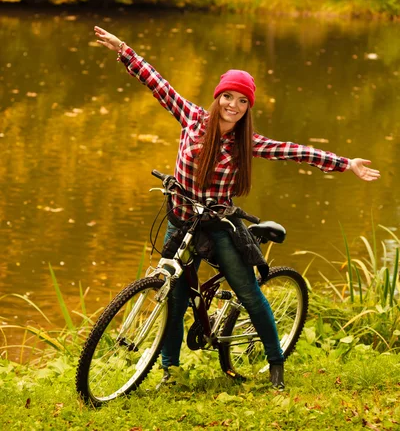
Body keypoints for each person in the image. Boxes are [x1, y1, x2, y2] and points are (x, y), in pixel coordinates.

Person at [94, 25, 380, 390]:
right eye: (228, 97)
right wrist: (124, 50)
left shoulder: (247, 143)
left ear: (248, 108)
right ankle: (169, 371)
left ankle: (275, 362)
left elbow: (295, 151)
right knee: (175, 296)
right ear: (218, 97)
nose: (233, 105)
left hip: (217, 225)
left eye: (242, 101)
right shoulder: (193, 120)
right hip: (180, 219)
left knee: (247, 290)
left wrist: (344, 163)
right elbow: (158, 84)